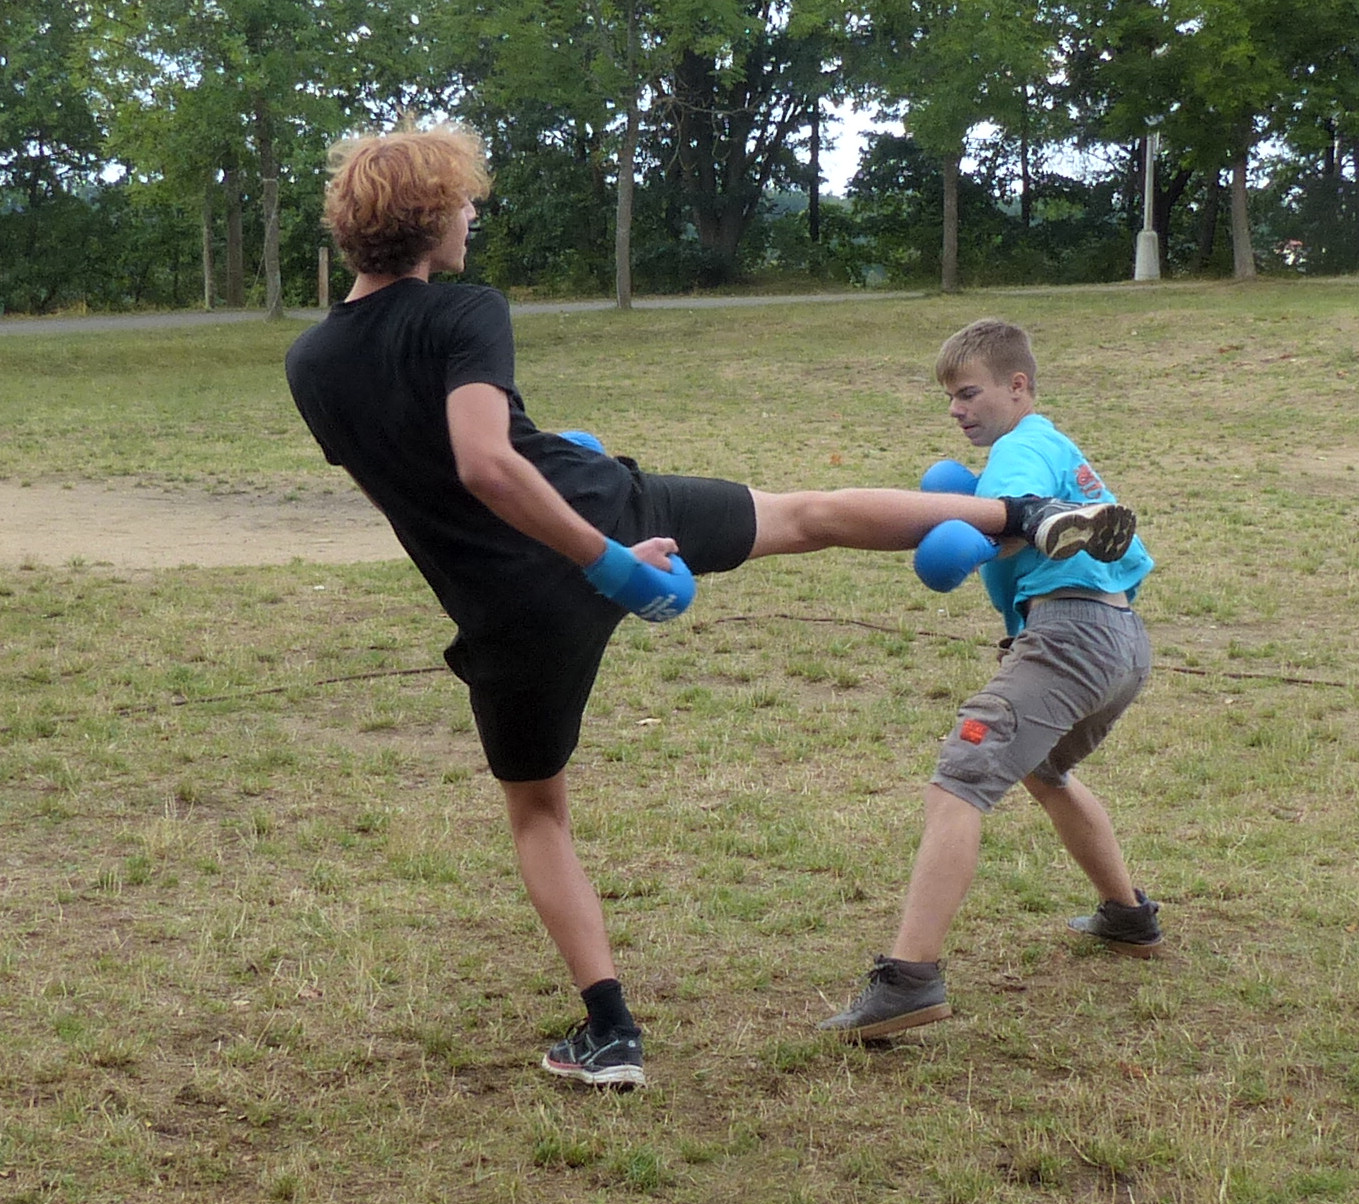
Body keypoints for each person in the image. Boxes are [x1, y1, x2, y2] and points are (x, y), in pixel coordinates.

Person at [283, 122, 1136, 1089]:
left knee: (539, 815)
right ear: (431, 214)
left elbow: (416, 481)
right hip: (600, 520)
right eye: (464, 202)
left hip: (503, 602)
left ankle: (610, 1032)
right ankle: (1025, 514)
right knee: (806, 514)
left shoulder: (310, 362)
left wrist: (551, 514)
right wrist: (608, 560)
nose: (473, 214)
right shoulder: (463, 310)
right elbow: (484, 461)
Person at [821, 318, 1161, 1042]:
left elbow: (1008, 521)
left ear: (1018, 386)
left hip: (1068, 637)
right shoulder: (1053, 443)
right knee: (1044, 771)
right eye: (950, 397)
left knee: (959, 779)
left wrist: (969, 541)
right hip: (1123, 642)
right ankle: (1127, 916)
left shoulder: (1019, 449)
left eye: (969, 393)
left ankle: (909, 980)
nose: (956, 409)